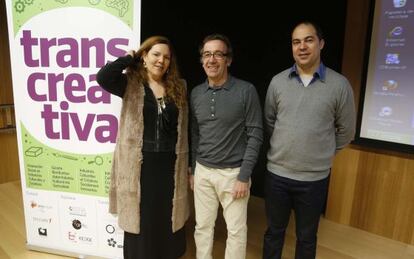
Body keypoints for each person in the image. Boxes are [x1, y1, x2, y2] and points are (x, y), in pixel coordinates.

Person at [262, 21, 356, 259]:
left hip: (314, 180)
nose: (302, 47)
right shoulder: (278, 82)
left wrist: (320, 151)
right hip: (277, 176)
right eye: (296, 42)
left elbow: (346, 131)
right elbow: (270, 122)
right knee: (274, 232)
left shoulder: (339, 85)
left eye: (308, 40)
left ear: (321, 44)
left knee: (306, 237)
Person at [97, 36, 189, 259]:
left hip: (169, 165)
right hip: (140, 165)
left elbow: (184, 129)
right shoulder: (130, 83)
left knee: (167, 216)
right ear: (145, 57)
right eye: (155, 54)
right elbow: (103, 77)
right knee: (141, 217)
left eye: (166, 57)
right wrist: (130, 57)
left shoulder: (179, 86)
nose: (161, 61)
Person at [189, 33, 263, 259]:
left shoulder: (245, 91)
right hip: (202, 172)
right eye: (207, 54)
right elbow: (195, 134)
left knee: (236, 231)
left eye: (218, 54)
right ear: (202, 59)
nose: (212, 60)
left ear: (228, 60)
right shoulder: (196, 93)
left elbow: (256, 135)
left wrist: (244, 176)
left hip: (233, 175)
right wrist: (192, 170)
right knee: (202, 227)